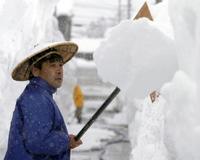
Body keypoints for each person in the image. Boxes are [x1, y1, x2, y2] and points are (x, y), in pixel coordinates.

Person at [4, 42, 82, 160]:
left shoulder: (41, 95)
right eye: (52, 65)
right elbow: (37, 142)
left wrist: (66, 141)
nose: (59, 70)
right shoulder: (36, 98)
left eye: (60, 65)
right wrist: (66, 141)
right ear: (36, 71)